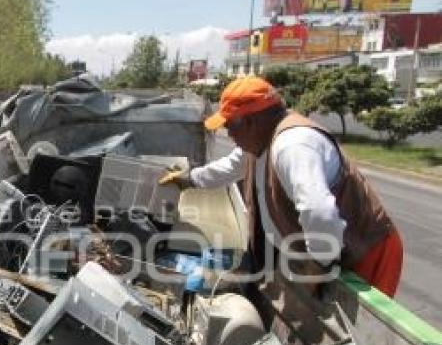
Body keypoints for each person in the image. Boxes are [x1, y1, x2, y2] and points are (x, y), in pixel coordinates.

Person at [160, 76, 402, 297]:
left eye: (230, 127)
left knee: (362, 334)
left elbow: (320, 213)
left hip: (365, 250)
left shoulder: (293, 146)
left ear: (251, 122)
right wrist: (189, 179)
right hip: (329, 247)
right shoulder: (259, 142)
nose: (229, 135)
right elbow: (229, 167)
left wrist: (315, 267)